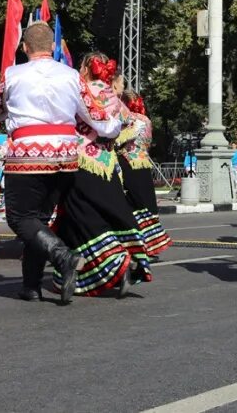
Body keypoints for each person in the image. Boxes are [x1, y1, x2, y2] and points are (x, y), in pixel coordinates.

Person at [0, 22, 122, 304]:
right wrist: (114, 127)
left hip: (27, 153)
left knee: (20, 218)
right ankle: (31, 286)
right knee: (40, 220)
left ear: (24, 48)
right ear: (53, 47)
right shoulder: (72, 76)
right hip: (65, 155)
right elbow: (96, 117)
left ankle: (63, 255)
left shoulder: (12, 74)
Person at [49, 53, 153, 299]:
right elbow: (130, 125)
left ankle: (114, 261)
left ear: (85, 67)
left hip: (80, 161)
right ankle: (112, 267)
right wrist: (112, 140)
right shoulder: (111, 95)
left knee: (79, 214)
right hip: (108, 164)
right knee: (106, 213)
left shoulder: (81, 90)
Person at [117, 90, 172, 258]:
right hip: (144, 163)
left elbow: (118, 141)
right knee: (147, 204)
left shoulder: (128, 120)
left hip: (128, 163)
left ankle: (134, 245)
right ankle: (151, 244)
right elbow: (147, 143)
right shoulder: (146, 120)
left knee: (132, 205)